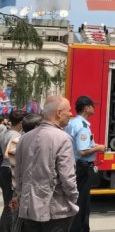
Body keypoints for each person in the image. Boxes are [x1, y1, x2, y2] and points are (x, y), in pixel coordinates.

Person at [13, 96, 78, 232]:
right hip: (55, 209)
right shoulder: (63, 138)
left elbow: (18, 174)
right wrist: (73, 197)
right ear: (59, 113)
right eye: (69, 110)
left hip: (29, 208)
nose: (71, 114)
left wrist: (20, 196)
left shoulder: (24, 138)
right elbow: (67, 177)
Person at [65, 96, 106, 232]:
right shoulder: (82, 126)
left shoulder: (72, 122)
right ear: (87, 108)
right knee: (82, 202)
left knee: (74, 200)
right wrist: (99, 148)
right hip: (82, 167)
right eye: (92, 106)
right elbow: (82, 151)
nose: (94, 108)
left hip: (74, 165)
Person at [4, 113, 42, 232]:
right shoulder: (26, 143)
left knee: (17, 223)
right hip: (26, 191)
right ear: (36, 128)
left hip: (19, 189)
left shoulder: (16, 140)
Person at [0, 110, 26, 231]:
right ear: (21, 122)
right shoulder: (16, 136)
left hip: (4, 169)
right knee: (11, 204)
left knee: (8, 203)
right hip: (10, 169)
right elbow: (9, 155)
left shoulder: (5, 132)